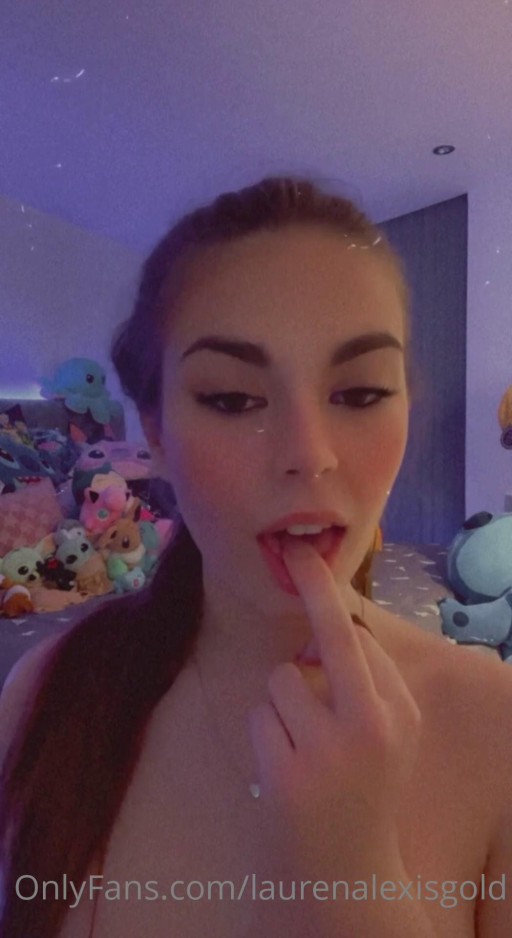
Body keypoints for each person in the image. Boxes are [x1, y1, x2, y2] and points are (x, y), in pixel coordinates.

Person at [1, 176, 512, 938]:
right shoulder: (44, 694)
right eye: (234, 399)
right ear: (156, 434)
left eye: (361, 393)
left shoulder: (495, 722)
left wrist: (355, 881)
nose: (310, 455)